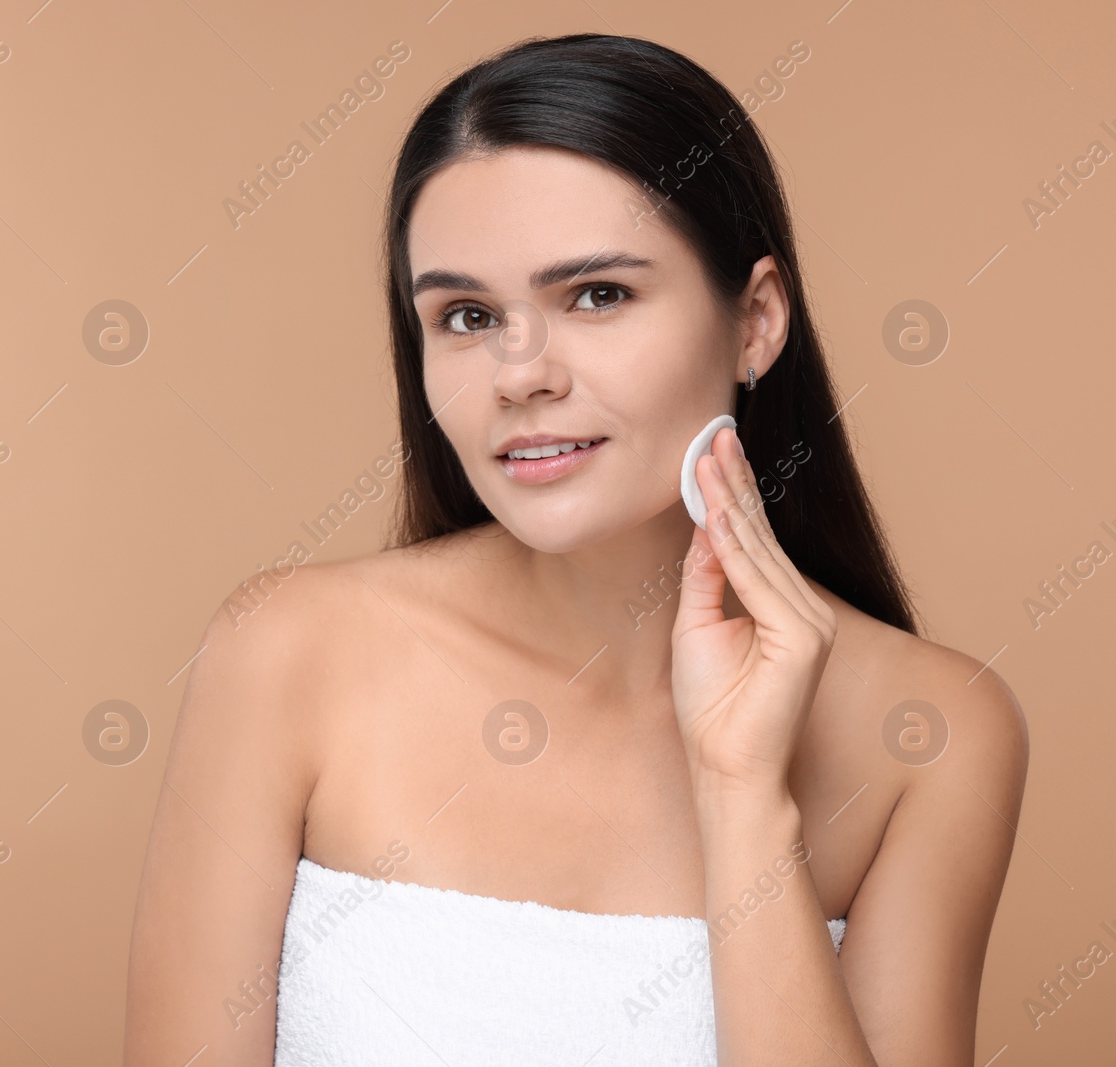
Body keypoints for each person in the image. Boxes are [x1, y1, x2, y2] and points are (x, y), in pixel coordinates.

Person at [124, 32, 1027, 1066]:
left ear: (756, 321)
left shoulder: (934, 733)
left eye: (597, 295)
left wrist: (741, 794)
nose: (520, 373)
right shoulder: (287, 648)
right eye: (466, 315)